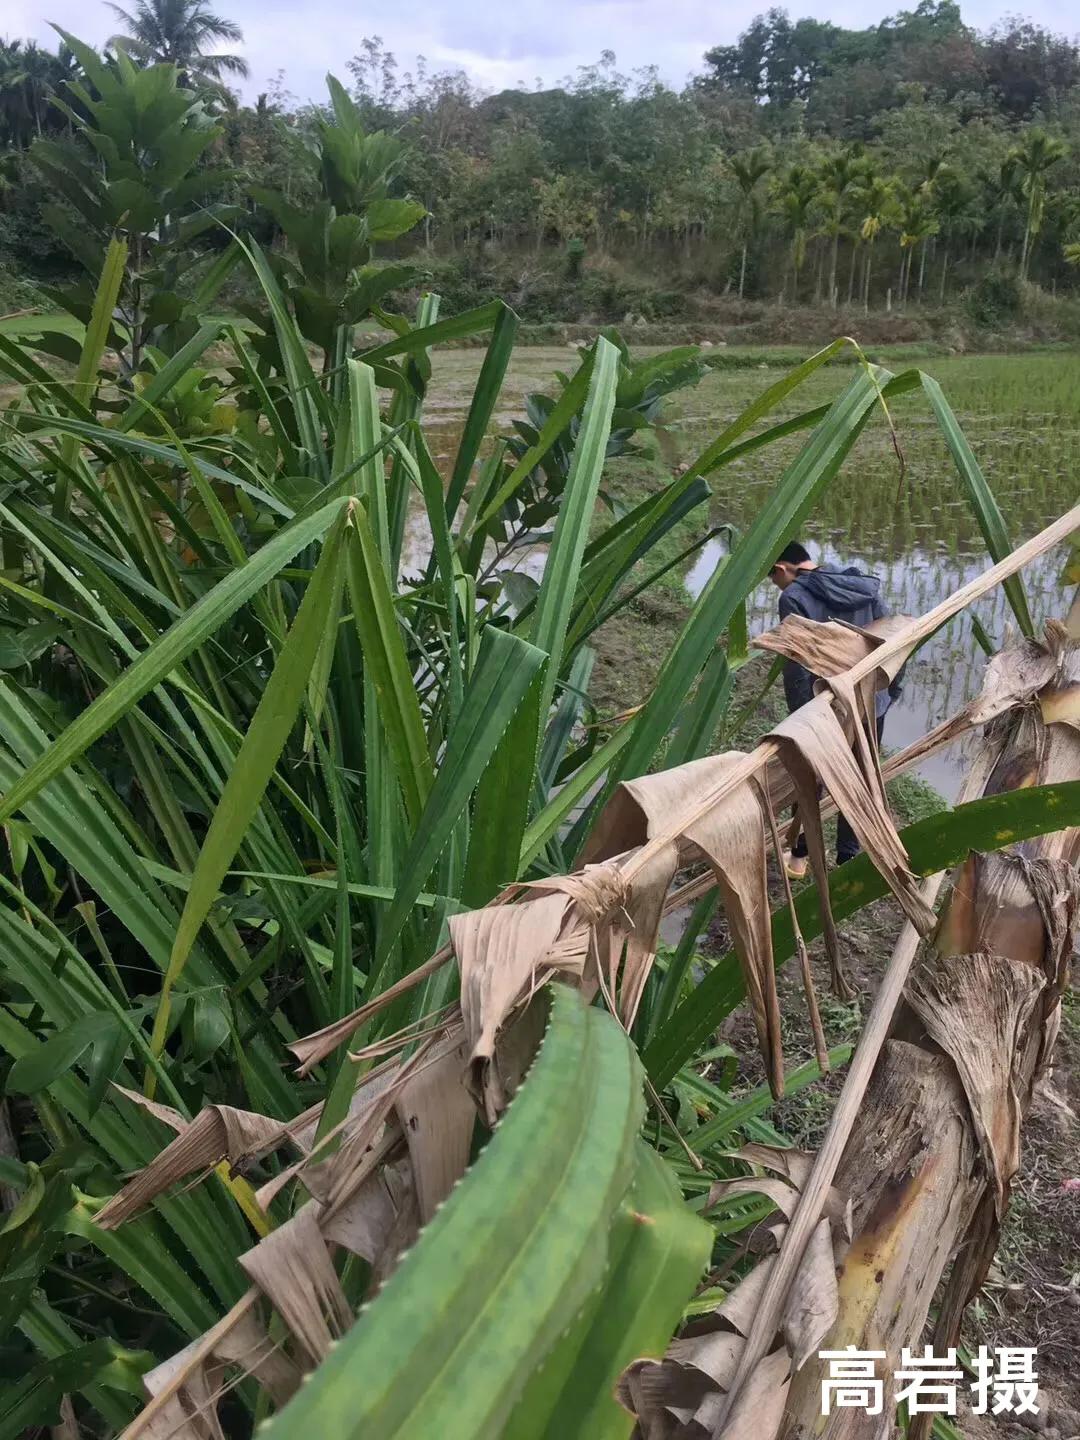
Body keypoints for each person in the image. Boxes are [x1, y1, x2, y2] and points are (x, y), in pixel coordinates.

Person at [767, 540, 901, 878]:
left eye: (773, 578)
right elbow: (893, 639)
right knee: (860, 777)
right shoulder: (859, 583)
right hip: (870, 702)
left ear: (782, 569)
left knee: (809, 777)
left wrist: (802, 717)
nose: (777, 586)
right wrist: (888, 694)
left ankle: (800, 856)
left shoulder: (793, 597)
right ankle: (848, 860)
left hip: (824, 703)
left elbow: (797, 666)